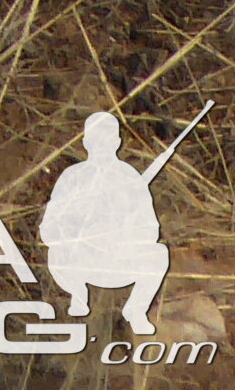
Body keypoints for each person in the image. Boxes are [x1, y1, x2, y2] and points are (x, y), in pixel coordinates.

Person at [39, 112, 172, 336]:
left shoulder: (129, 177)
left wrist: (123, 233)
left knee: (158, 254)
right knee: (56, 253)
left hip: (119, 259)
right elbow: (50, 227)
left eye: (107, 139)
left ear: (117, 142)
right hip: (81, 259)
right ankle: (78, 295)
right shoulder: (72, 177)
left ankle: (137, 310)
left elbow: (150, 229)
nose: (101, 145)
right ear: (85, 142)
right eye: (95, 140)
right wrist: (77, 231)